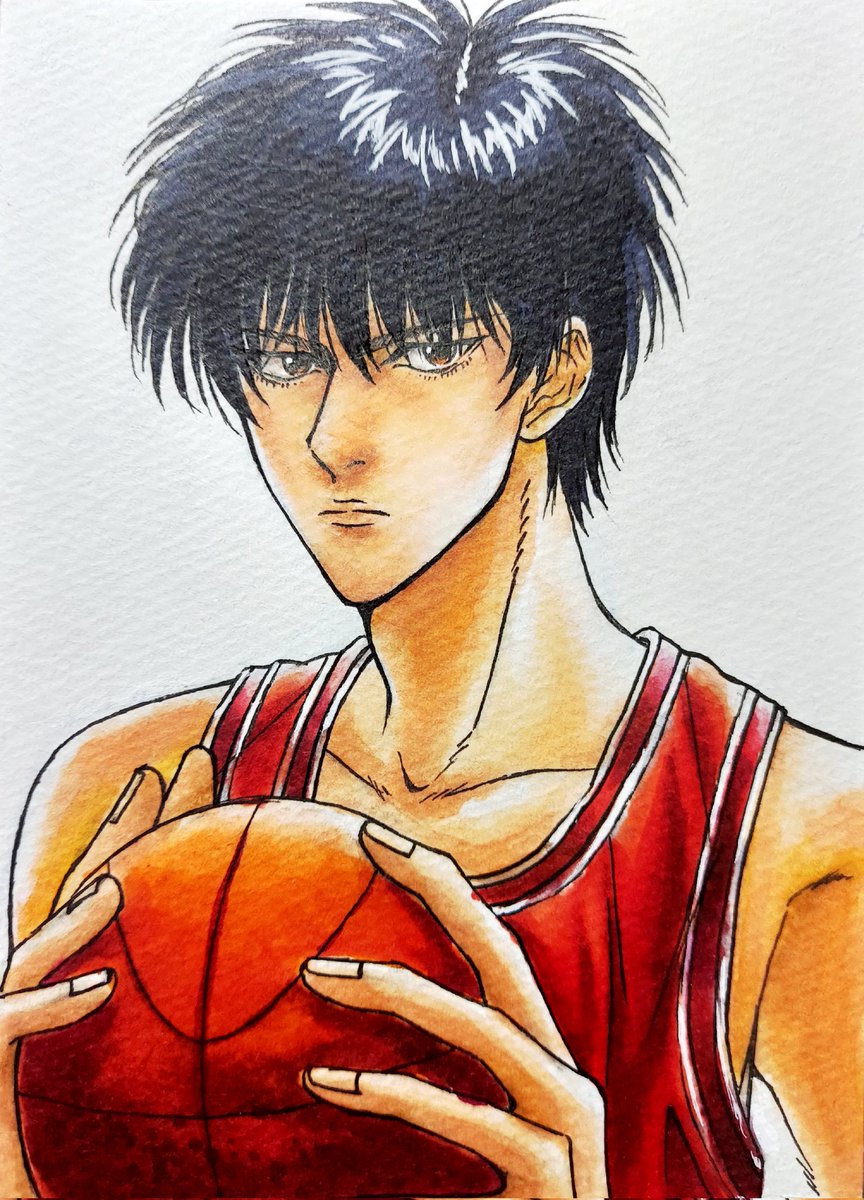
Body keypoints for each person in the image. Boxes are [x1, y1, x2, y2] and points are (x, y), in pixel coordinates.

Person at [2, 1, 862, 1195]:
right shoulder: (123, 797)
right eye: (283, 359)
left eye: (419, 347)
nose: (331, 436)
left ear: (557, 369)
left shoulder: (791, 837)